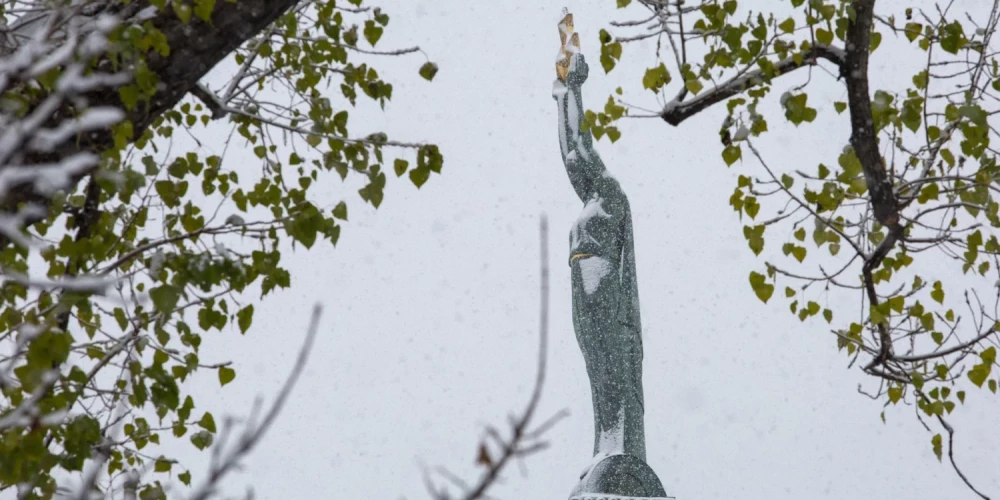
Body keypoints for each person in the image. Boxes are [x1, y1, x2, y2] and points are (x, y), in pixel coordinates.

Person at [552, 25, 646, 467]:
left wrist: (576, 91)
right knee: (597, 374)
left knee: (614, 373)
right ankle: (606, 444)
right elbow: (570, 152)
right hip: (583, 289)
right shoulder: (592, 199)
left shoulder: (610, 195)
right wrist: (561, 96)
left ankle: (621, 446)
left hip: (603, 286)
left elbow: (579, 148)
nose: (578, 171)